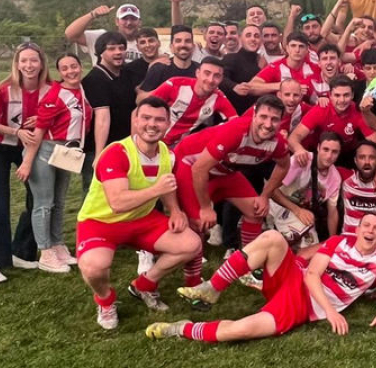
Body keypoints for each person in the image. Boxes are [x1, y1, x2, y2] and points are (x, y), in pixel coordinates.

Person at [153, 213, 376, 342]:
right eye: (366, 225)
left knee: (241, 330)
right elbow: (312, 275)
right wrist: (332, 312)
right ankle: (213, 287)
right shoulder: (339, 241)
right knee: (272, 237)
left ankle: (182, 328)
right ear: (358, 229)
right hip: (297, 279)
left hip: (302, 305)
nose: (370, 231)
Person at [75, 97, 203, 330]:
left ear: (168, 124)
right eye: (146, 118)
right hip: (101, 221)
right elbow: (117, 203)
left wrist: (175, 210)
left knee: (191, 244)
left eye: (159, 120)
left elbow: (166, 184)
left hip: (141, 219)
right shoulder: (116, 152)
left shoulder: (166, 153)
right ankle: (105, 301)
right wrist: (156, 190)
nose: (152, 124)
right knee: (94, 267)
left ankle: (144, 285)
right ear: (135, 120)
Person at [171, 96, 291, 292]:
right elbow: (199, 169)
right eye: (263, 117)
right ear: (254, 115)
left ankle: (247, 267)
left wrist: (265, 195)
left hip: (224, 171)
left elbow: (284, 166)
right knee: (199, 223)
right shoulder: (236, 131)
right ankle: (193, 283)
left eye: (274, 119)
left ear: (281, 121)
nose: (268, 124)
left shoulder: (277, 142)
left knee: (256, 211)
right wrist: (205, 207)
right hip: (190, 165)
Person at [0, 42, 46, 284]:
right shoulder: (4, 89)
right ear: (16, 64)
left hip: (28, 148)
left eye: (33, 60)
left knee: (38, 198)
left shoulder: (49, 89)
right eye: (23, 60)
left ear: (41, 63)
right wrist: (16, 131)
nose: (29, 65)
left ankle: (21, 251)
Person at [21, 54, 92, 274]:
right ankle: (45, 252)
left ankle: (57, 244)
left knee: (59, 201)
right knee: (44, 203)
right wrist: (27, 162)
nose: (71, 71)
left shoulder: (82, 91)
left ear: (80, 67)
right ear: (59, 72)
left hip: (67, 151)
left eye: (74, 66)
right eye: (65, 68)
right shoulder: (56, 93)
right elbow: (39, 131)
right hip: (46, 149)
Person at [81, 31, 139, 195]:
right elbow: (102, 118)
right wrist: (99, 154)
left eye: (121, 48)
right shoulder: (95, 79)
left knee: (125, 190)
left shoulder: (126, 73)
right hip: (101, 146)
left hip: (124, 144)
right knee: (96, 192)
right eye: (112, 49)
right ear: (100, 53)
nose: (118, 52)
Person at [269, 133, 344, 248]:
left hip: (304, 216)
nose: (329, 156)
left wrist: (332, 241)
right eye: (325, 149)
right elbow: (271, 190)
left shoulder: (335, 178)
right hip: (279, 207)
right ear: (318, 147)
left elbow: (332, 213)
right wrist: (297, 210)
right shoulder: (301, 160)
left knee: (313, 248)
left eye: (335, 152)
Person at [288, 76, 376, 166]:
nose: (342, 100)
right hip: (320, 154)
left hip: (347, 156)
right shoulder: (320, 110)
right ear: (330, 95)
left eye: (346, 95)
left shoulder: (358, 112)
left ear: (352, 95)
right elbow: (293, 138)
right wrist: (299, 150)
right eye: (337, 95)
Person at [148, 58, 238, 148]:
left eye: (217, 76)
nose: (211, 80)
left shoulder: (219, 98)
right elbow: (145, 108)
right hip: (152, 137)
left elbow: (237, 123)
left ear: (221, 79)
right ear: (197, 73)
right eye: (207, 73)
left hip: (177, 146)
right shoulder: (174, 84)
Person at [65, 2, 147, 64]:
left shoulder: (147, 44)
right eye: (124, 18)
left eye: (133, 18)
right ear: (117, 21)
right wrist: (93, 14)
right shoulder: (101, 37)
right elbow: (70, 34)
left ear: (139, 22)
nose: (129, 23)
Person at [137, 25, 199, 98]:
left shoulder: (200, 70)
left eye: (187, 41)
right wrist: (164, 90)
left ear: (193, 47)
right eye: (178, 41)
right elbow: (139, 99)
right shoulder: (158, 69)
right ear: (171, 47)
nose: (183, 45)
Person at [220, 24, 268, 114]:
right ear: (240, 39)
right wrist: (234, 86)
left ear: (261, 41)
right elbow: (220, 78)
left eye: (256, 36)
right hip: (233, 114)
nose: (253, 39)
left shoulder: (263, 61)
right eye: (248, 35)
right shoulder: (231, 58)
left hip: (255, 114)